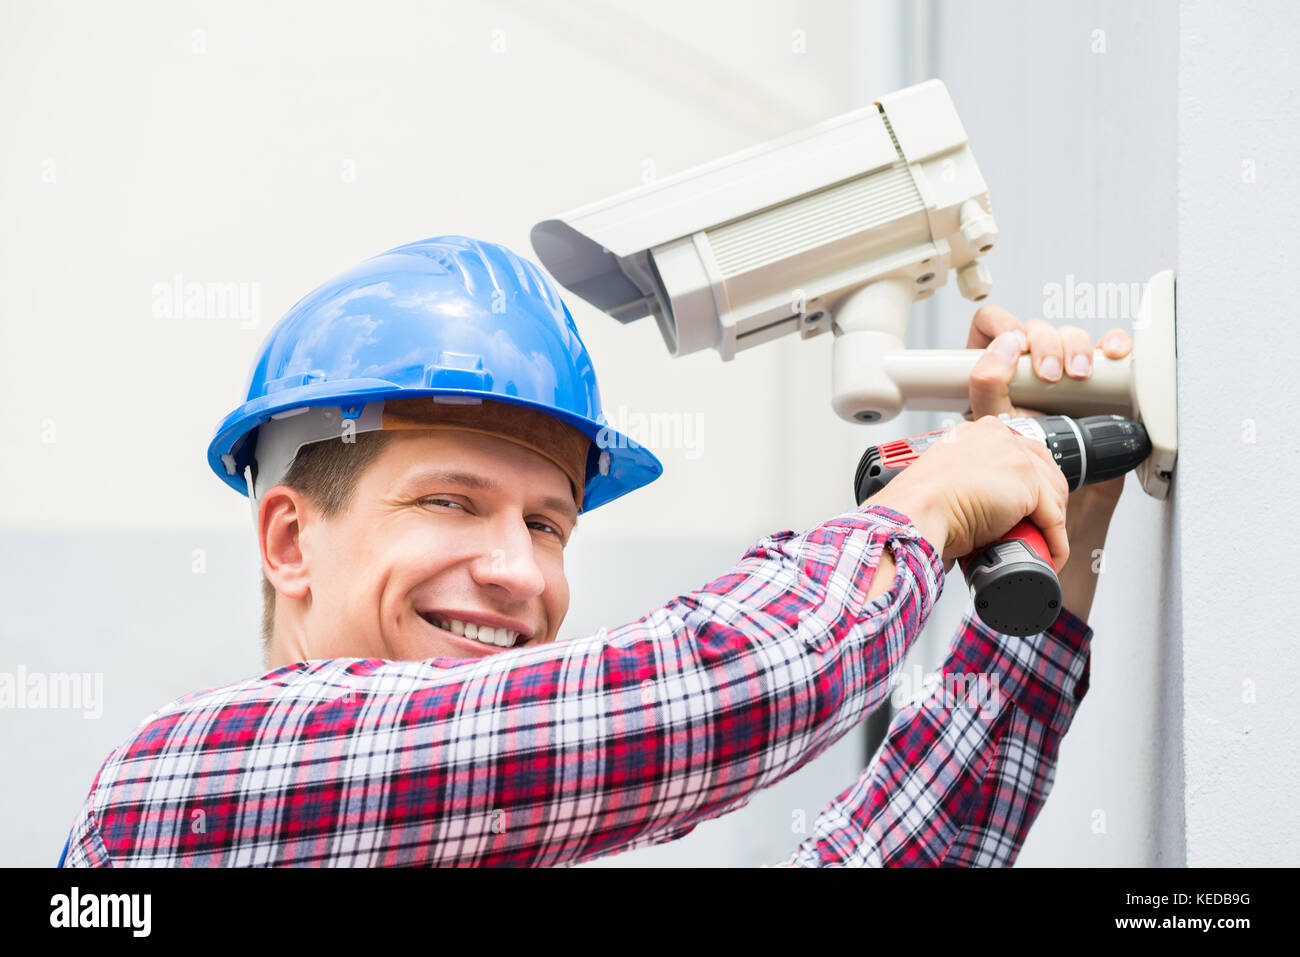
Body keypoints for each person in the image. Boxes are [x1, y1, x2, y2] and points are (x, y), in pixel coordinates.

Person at [58, 236, 1133, 867]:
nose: (518, 573)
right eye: (449, 500)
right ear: (290, 539)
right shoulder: (188, 791)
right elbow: (726, 694)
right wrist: (925, 508)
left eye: (545, 524)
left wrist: (1062, 529)